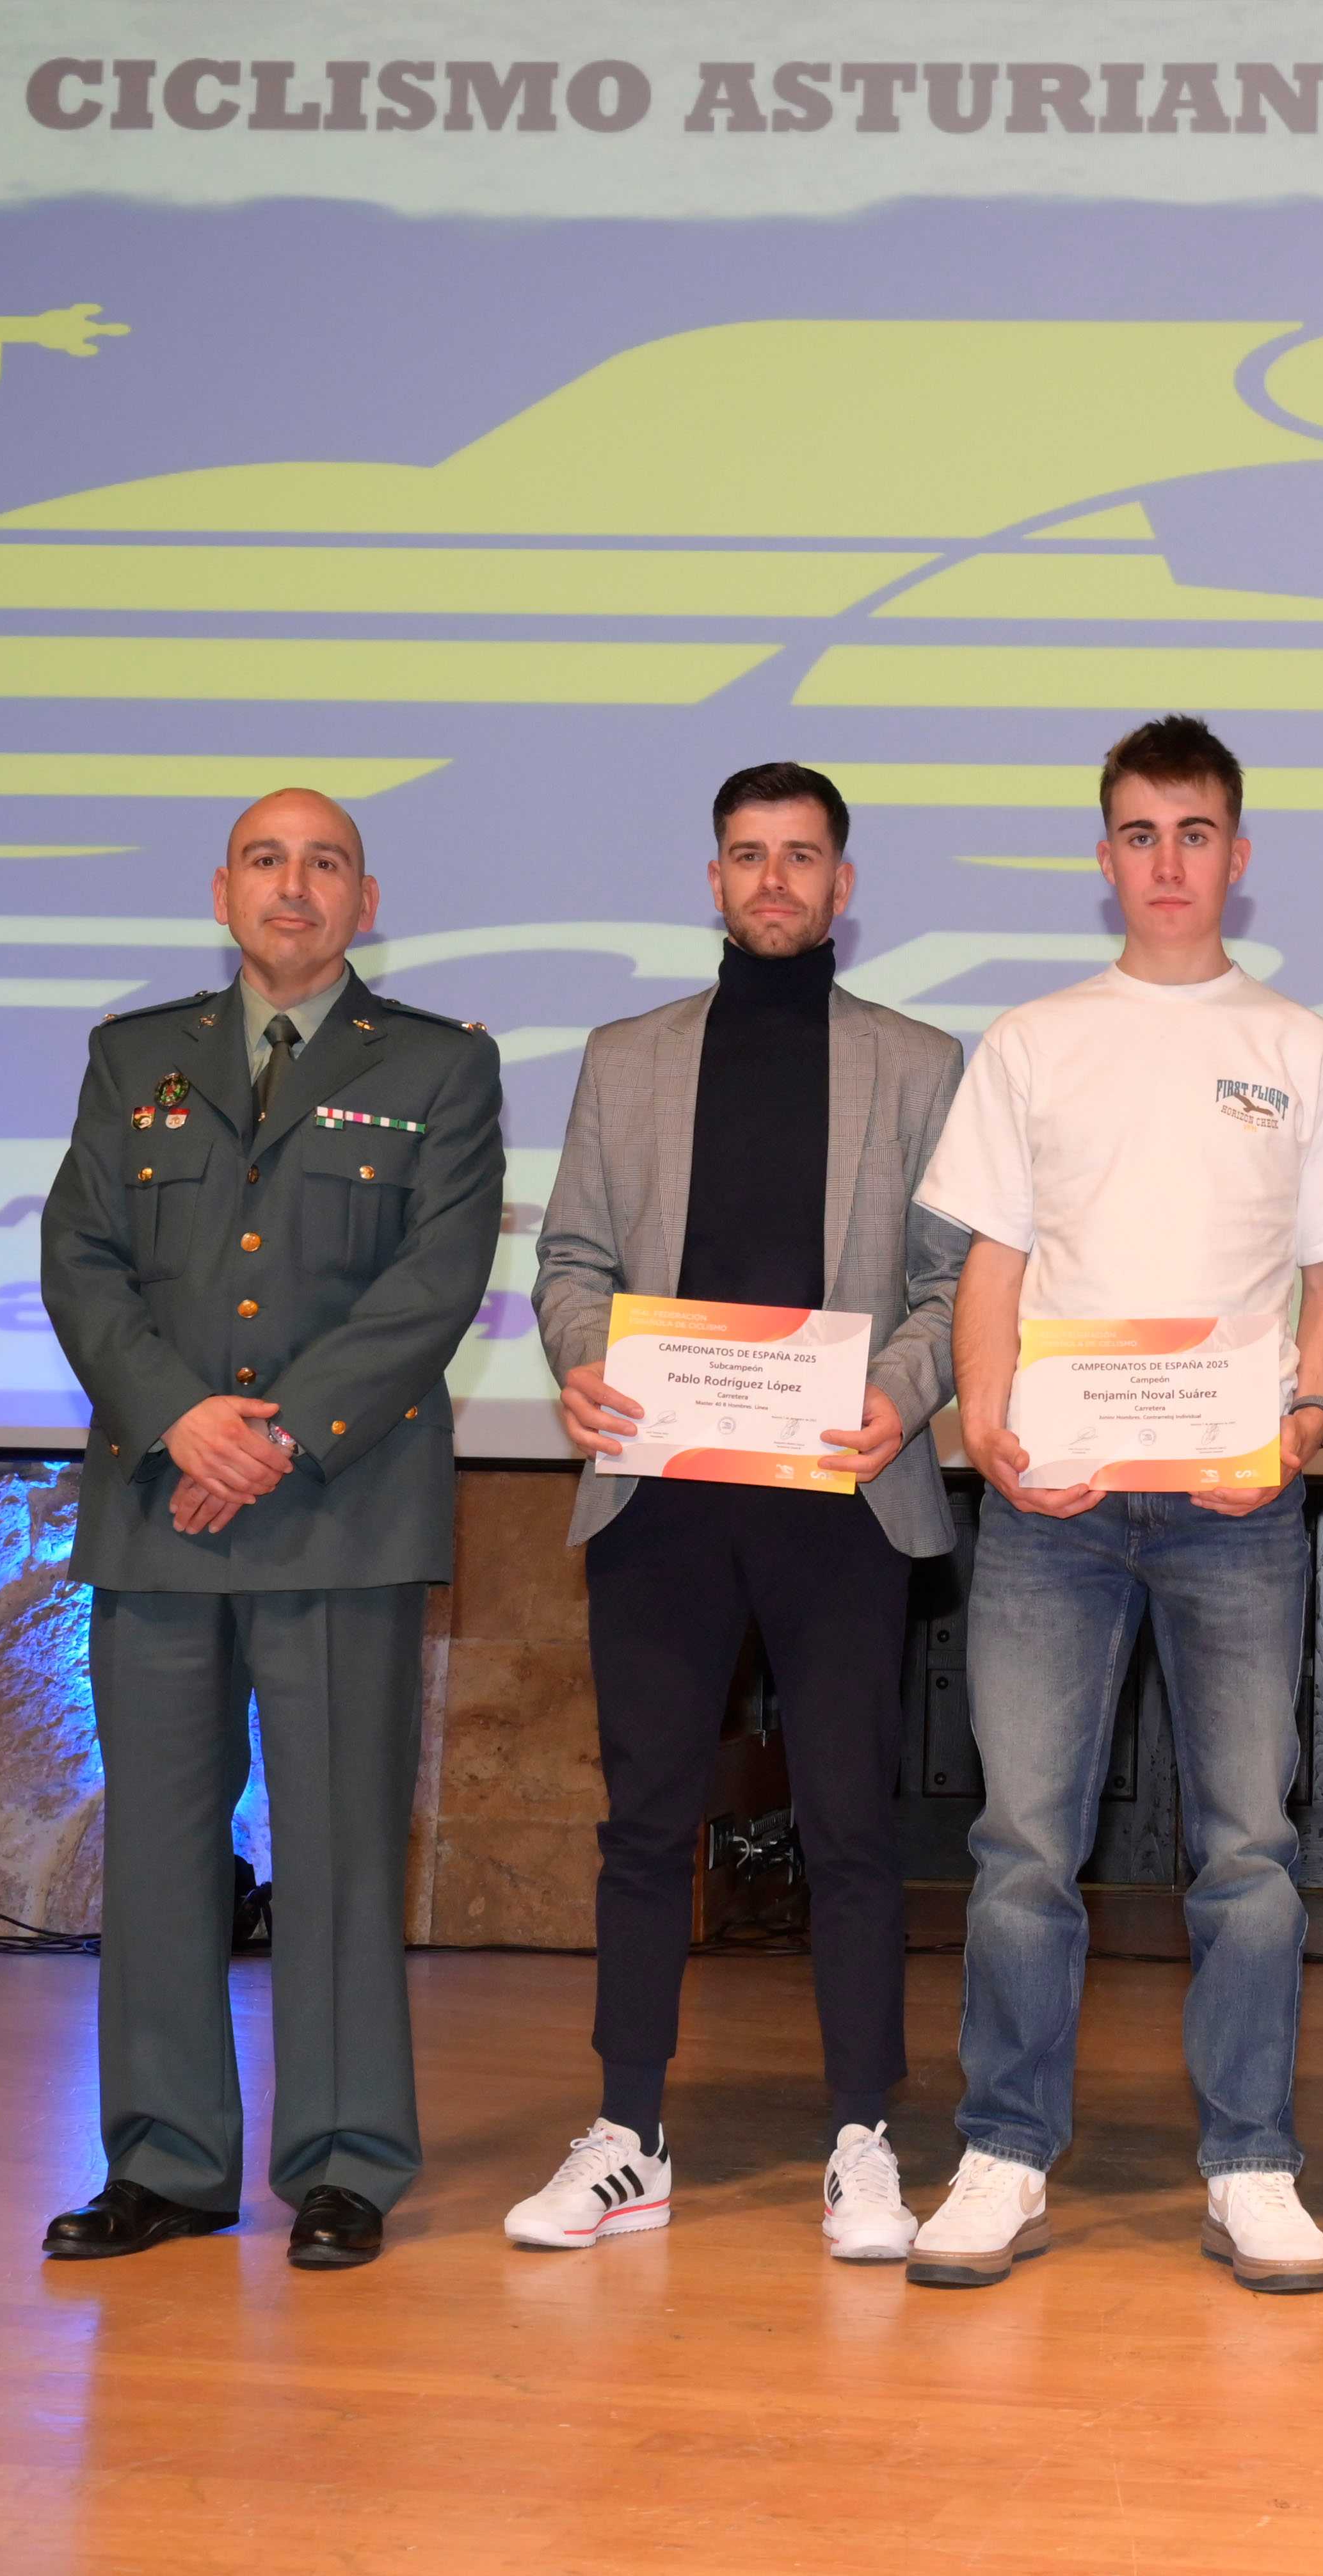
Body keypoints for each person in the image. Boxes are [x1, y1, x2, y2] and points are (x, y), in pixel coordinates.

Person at [902, 715, 1323, 2292]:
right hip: (1055, 1502)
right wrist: (984, 1412)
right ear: (1103, 857)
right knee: (1024, 1841)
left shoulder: (1305, 1047)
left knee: (1246, 1846)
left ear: (1238, 855)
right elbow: (993, 1260)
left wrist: (1308, 1403)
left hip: (1236, 1502)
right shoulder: (1032, 1039)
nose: (1167, 860)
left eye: (1195, 831)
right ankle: (1002, 2149)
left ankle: (1251, 2160)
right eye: (1139, 832)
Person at [37, 787, 506, 2271]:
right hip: (159, 1507)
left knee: (343, 1847)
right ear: (222, 892)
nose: (291, 887)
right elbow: (83, 1259)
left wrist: (280, 1433)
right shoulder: (134, 1057)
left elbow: (435, 1279)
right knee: (163, 1848)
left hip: (340, 1511)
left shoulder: (441, 1064)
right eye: (264, 860)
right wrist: (185, 1418)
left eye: (322, 865)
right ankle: (166, 2160)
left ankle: (343, 2159)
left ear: (366, 901)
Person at [509, 762, 968, 2260]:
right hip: (661, 1489)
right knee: (647, 1822)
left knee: (847, 1823)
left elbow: (956, 1280)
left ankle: (862, 2135)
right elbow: (571, 1253)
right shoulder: (625, 1054)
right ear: (712, 878)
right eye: (747, 855)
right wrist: (582, 1364)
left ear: (845, 884)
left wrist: (904, 1388)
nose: (774, 880)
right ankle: (626, 2130)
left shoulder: (916, 1061)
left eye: (803, 857)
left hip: (841, 1485)